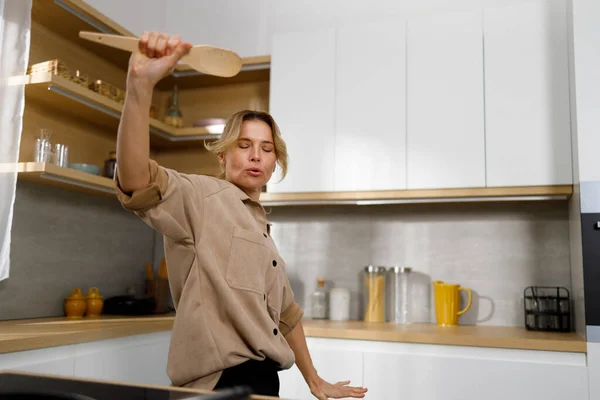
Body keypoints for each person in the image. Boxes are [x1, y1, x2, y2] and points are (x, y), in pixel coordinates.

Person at [113, 31, 369, 400]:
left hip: (265, 382)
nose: (255, 156)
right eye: (244, 145)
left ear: (274, 161)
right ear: (223, 156)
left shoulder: (260, 226)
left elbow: (287, 314)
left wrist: (315, 380)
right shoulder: (202, 197)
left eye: (266, 149)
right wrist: (139, 86)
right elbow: (136, 181)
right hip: (217, 384)